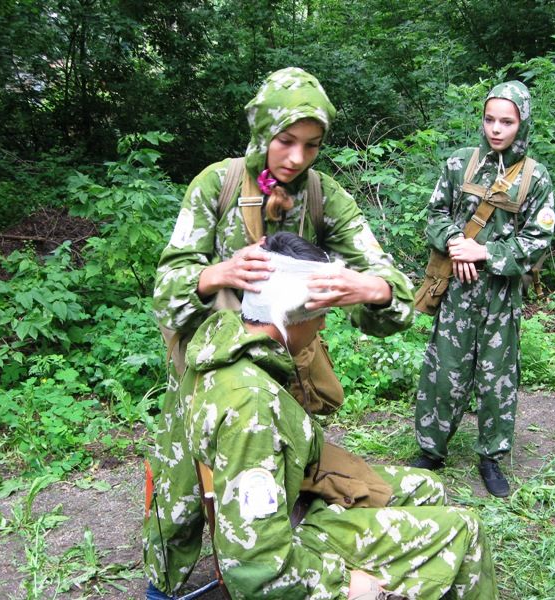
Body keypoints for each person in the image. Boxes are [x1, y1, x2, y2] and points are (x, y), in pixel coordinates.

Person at [145, 67, 414, 597]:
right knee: (180, 495)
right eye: (285, 140)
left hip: (286, 363)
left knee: (283, 471)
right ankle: (165, 586)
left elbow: (388, 281)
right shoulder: (216, 185)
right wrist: (214, 274)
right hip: (210, 365)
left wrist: (370, 290)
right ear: (261, 130)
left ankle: (279, 567)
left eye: (311, 145)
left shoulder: (323, 196)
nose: (296, 158)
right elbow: (166, 284)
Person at [151, 231, 497, 599]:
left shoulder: (226, 343)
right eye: (320, 314)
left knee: (429, 486)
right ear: (295, 313)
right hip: (293, 542)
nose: (322, 325)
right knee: (467, 528)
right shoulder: (250, 406)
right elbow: (255, 568)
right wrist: (343, 584)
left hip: (294, 496)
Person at [412, 81, 555, 498]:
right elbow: (436, 214)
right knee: (445, 369)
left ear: (522, 123)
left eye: (507, 121)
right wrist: (457, 243)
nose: (496, 129)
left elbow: (536, 240)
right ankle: (431, 450)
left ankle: (491, 457)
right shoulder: (460, 164)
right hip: (457, 291)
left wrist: (484, 253)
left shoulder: (535, 177)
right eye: (490, 119)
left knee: (497, 378)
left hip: (500, 294)